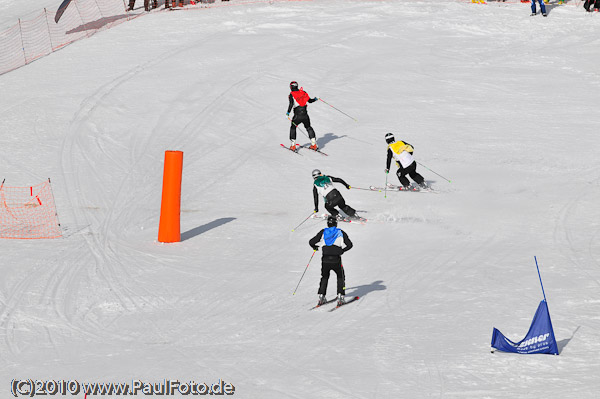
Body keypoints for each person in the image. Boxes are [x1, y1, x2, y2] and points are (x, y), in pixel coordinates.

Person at [309, 215, 353, 306]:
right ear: (336, 223)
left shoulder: (323, 232)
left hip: (325, 259)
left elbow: (311, 242)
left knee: (324, 277)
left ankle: (321, 296)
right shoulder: (340, 232)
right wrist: (342, 250)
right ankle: (340, 296)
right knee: (340, 276)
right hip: (336, 259)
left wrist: (315, 247)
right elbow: (350, 245)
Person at [287, 81, 319, 151]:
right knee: (308, 127)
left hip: (297, 116)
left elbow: (291, 104)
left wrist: (288, 113)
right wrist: (315, 99)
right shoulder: (303, 92)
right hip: (305, 115)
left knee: (293, 127)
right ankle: (314, 145)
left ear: (291, 87)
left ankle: (293, 146)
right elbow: (310, 101)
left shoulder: (292, 94)